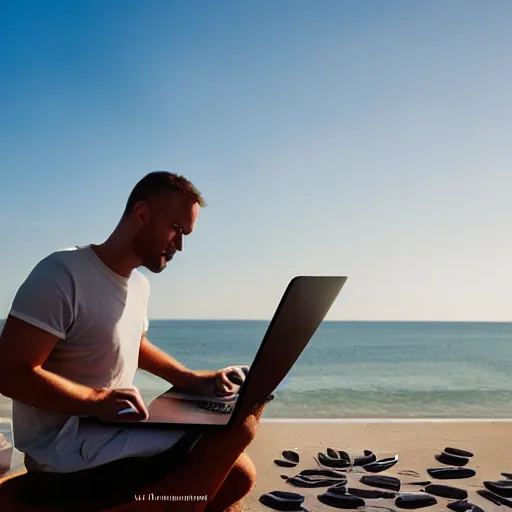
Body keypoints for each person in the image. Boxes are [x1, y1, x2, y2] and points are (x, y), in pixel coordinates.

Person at [0, 171, 271, 511]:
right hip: (64, 451)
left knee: (239, 451)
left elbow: (132, 343)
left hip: (109, 432)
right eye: (176, 229)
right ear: (142, 214)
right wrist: (97, 400)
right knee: (237, 436)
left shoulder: (139, 286)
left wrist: (192, 380)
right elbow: (10, 372)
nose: (180, 245)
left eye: (185, 235)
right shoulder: (61, 274)